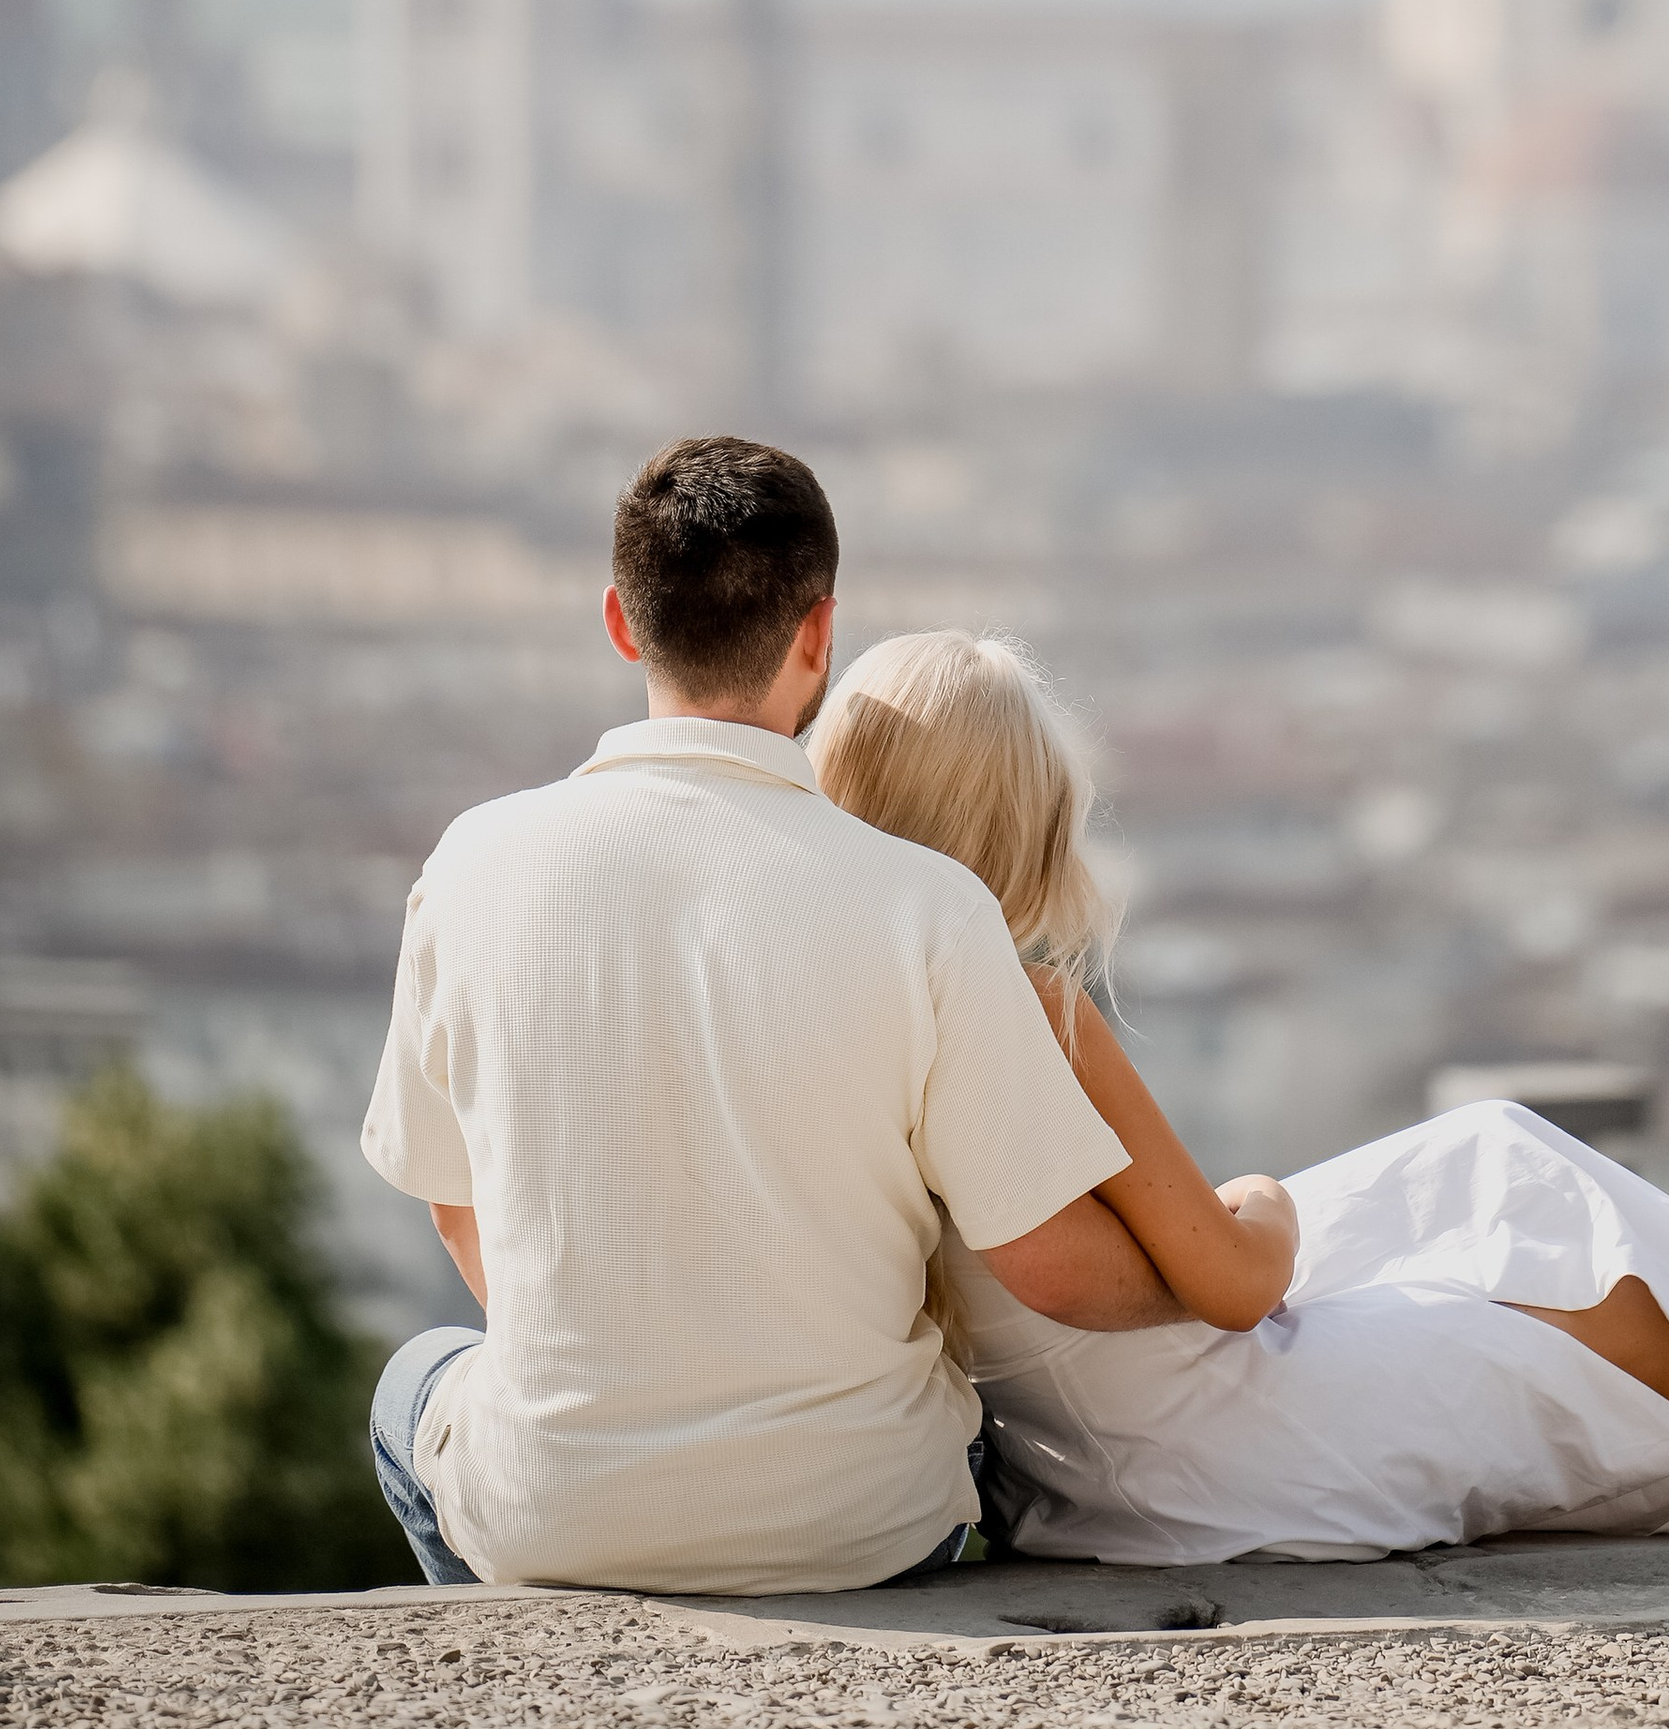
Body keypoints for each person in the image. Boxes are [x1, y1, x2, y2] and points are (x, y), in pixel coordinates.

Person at [813, 628, 1669, 1564]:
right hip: (1220, 1458)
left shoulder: (847, 1001)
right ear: (1021, 826)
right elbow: (1235, 1279)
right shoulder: (1036, 1008)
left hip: (1090, 1475)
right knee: (1587, 1282)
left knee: (1494, 1157)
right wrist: (1263, 1200)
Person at [359, 439, 1180, 1598]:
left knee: (415, 1379)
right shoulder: (928, 904)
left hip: (558, 1515)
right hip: (869, 1526)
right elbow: (1051, 1269)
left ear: (621, 622)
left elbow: (457, 1211)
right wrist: (1198, 1279)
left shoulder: (471, 863)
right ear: (817, 635)